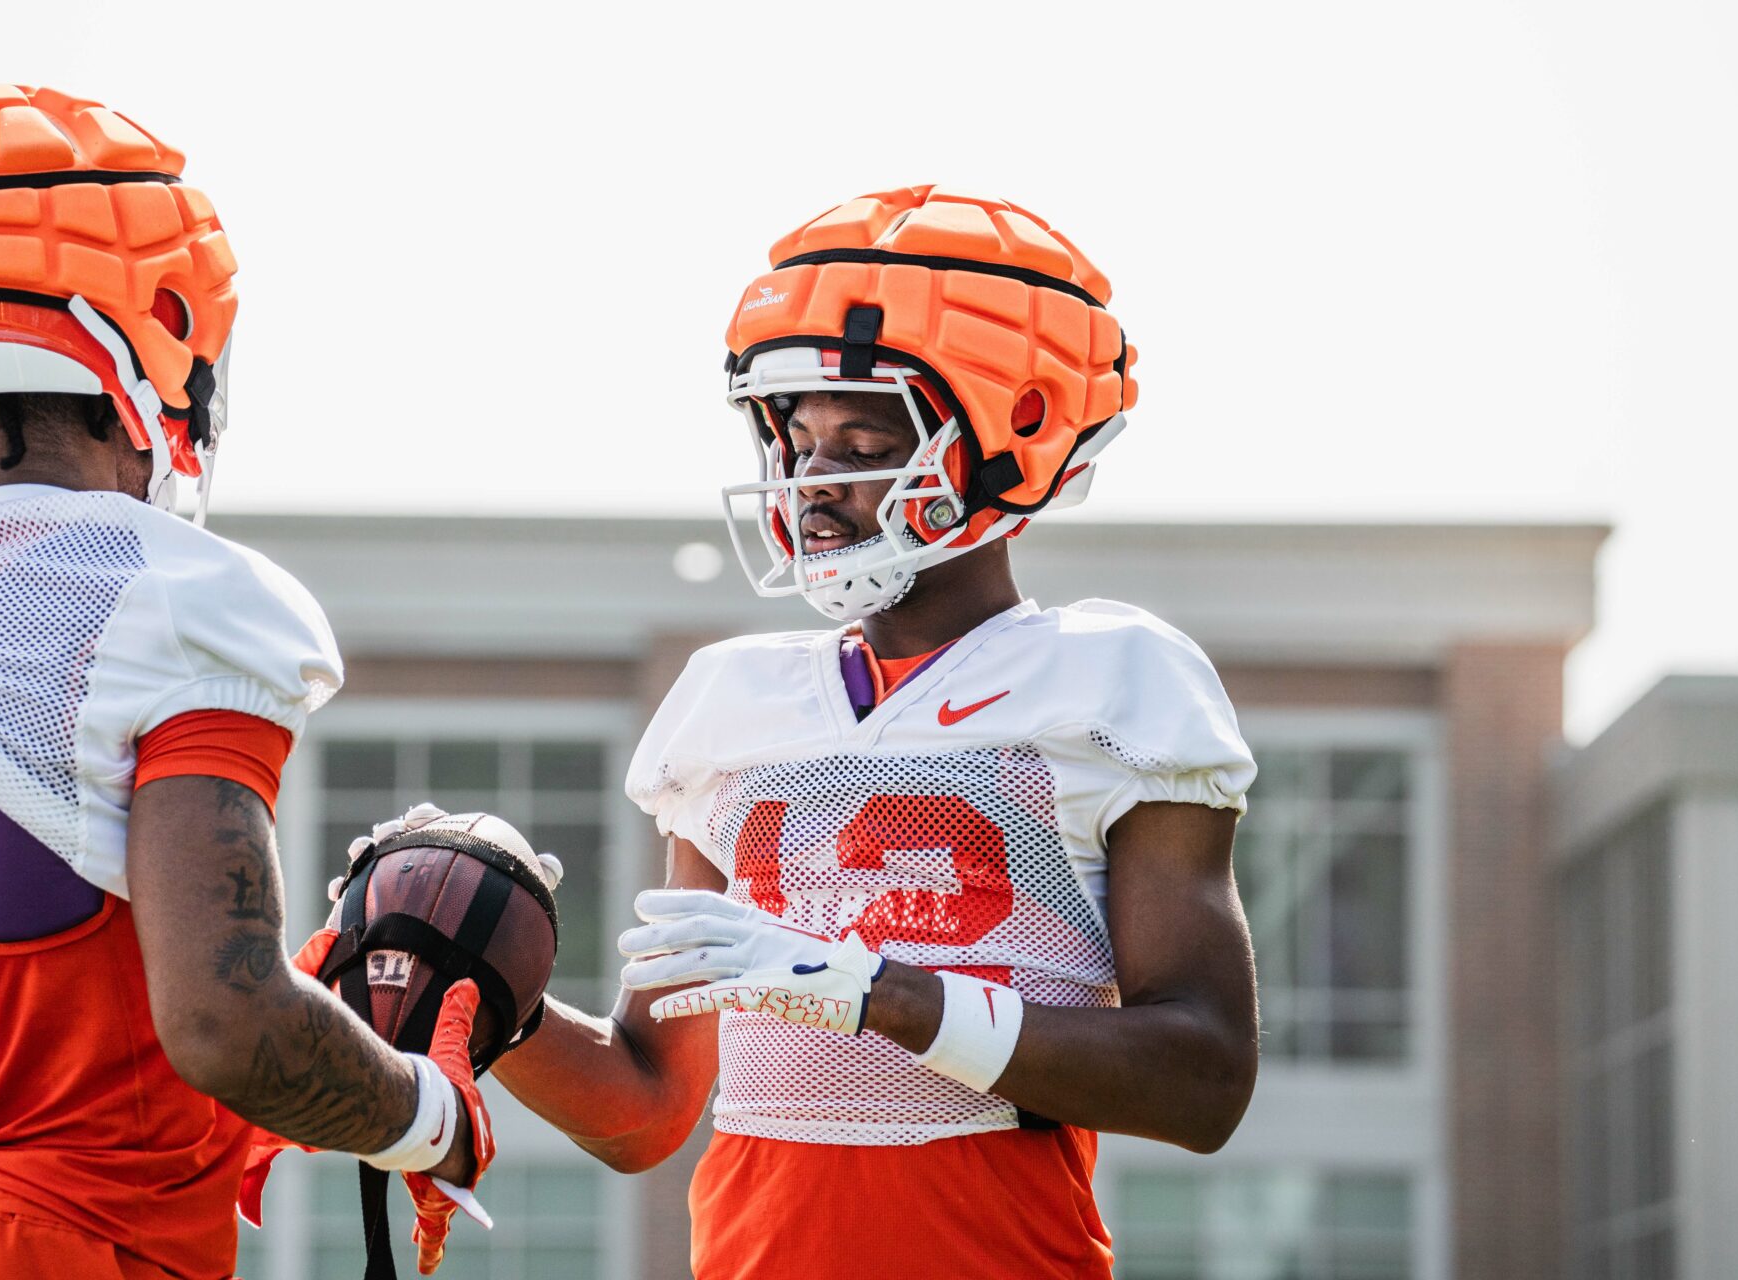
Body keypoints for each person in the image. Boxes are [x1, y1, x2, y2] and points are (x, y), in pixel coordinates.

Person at [490, 186, 1262, 1278]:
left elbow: (1204, 1080)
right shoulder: (733, 701)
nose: (814, 482)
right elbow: (650, 1105)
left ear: (1007, 443)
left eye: (860, 441)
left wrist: (878, 993)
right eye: (798, 441)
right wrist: (499, 1002)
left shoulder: (1111, 679)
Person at [0, 85, 490, 1280]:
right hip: (65, 1237)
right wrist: (431, 1115)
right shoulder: (171, 593)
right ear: (160, 330)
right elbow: (226, 1021)